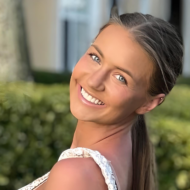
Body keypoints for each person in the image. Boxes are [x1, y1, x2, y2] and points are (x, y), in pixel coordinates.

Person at [18, 11, 183, 190]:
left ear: (148, 103)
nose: (94, 81)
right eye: (95, 57)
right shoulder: (126, 160)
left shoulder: (75, 175)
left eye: (120, 78)